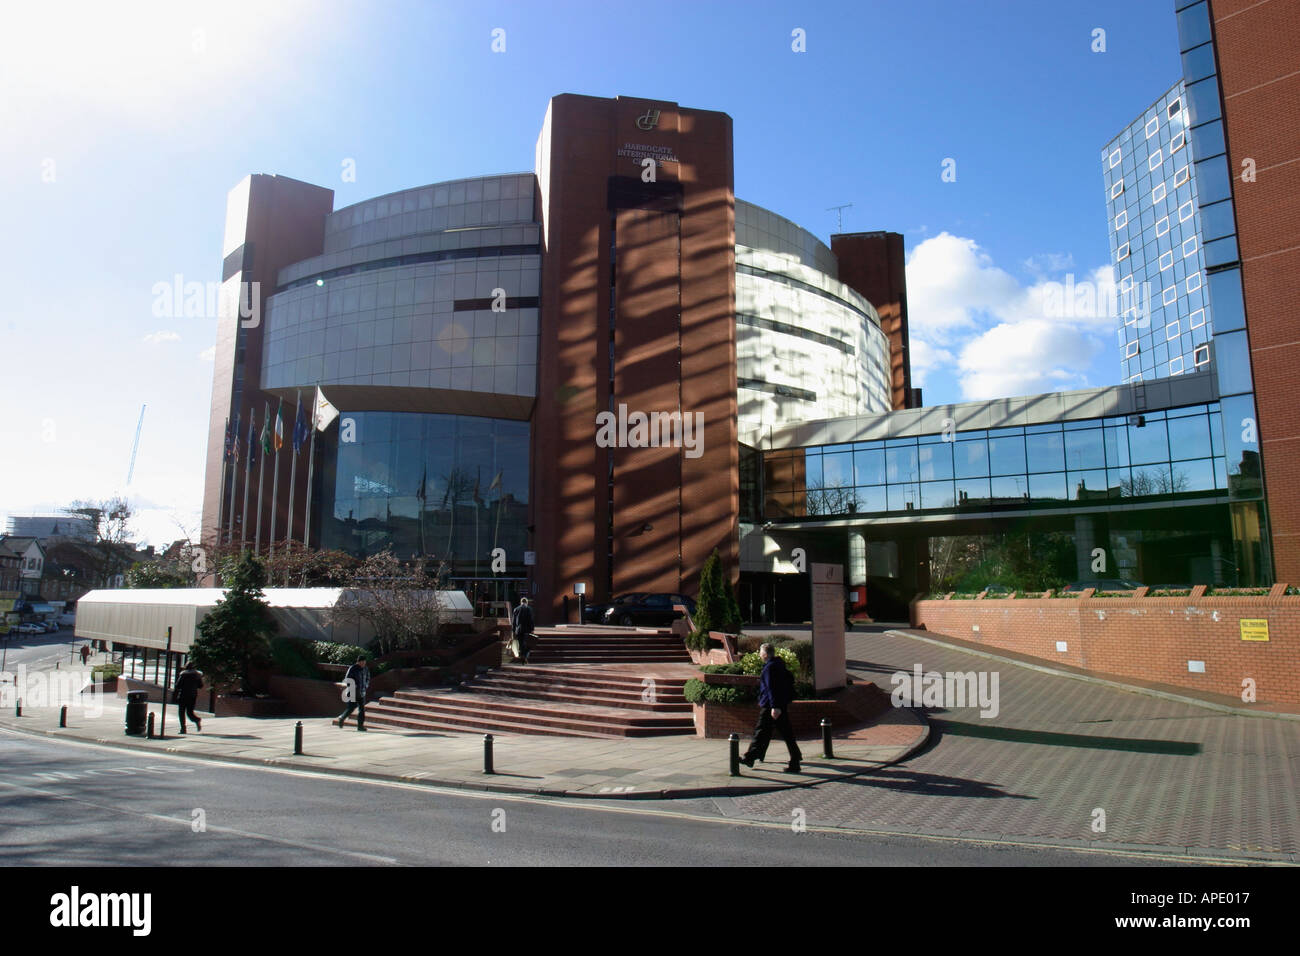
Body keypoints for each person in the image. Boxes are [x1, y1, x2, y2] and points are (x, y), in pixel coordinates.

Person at [739, 643, 802, 774]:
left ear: (765, 654)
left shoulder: (769, 668)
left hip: (770, 706)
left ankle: (750, 757)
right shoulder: (779, 664)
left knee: (761, 731)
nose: (759, 654)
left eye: (760, 652)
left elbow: (771, 688)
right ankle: (795, 759)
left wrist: (775, 707)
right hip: (778, 704)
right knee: (782, 733)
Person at [337, 657, 370, 731]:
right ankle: (342, 718)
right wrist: (352, 686)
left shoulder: (365, 669)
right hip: (353, 691)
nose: (364, 664)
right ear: (358, 662)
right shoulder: (353, 668)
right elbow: (348, 678)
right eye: (362, 662)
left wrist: (366, 685)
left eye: (365, 662)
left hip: (361, 692)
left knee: (362, 709)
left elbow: (368, 678)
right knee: (351, 707)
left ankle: (360, 726)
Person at [174, 661, 204, 734]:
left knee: (181, 712)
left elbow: (178, 685)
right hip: (192, 696)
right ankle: (196, 720)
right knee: (189, 712)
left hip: (183, 695)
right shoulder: (197, 675)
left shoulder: (183, 675)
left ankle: (183, 729)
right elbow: (201, 686)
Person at [510, 597, 535, 663]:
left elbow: (514, 622)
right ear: (527, 602)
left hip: (519, 630)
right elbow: (531, 620)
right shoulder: (529, 609)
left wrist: (513, 630)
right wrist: (532, 629)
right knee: (528, 644)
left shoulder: (516, 609)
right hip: (527, 629)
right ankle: (525, 657)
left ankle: (522, 657)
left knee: (520, 644)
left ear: (521, 602)